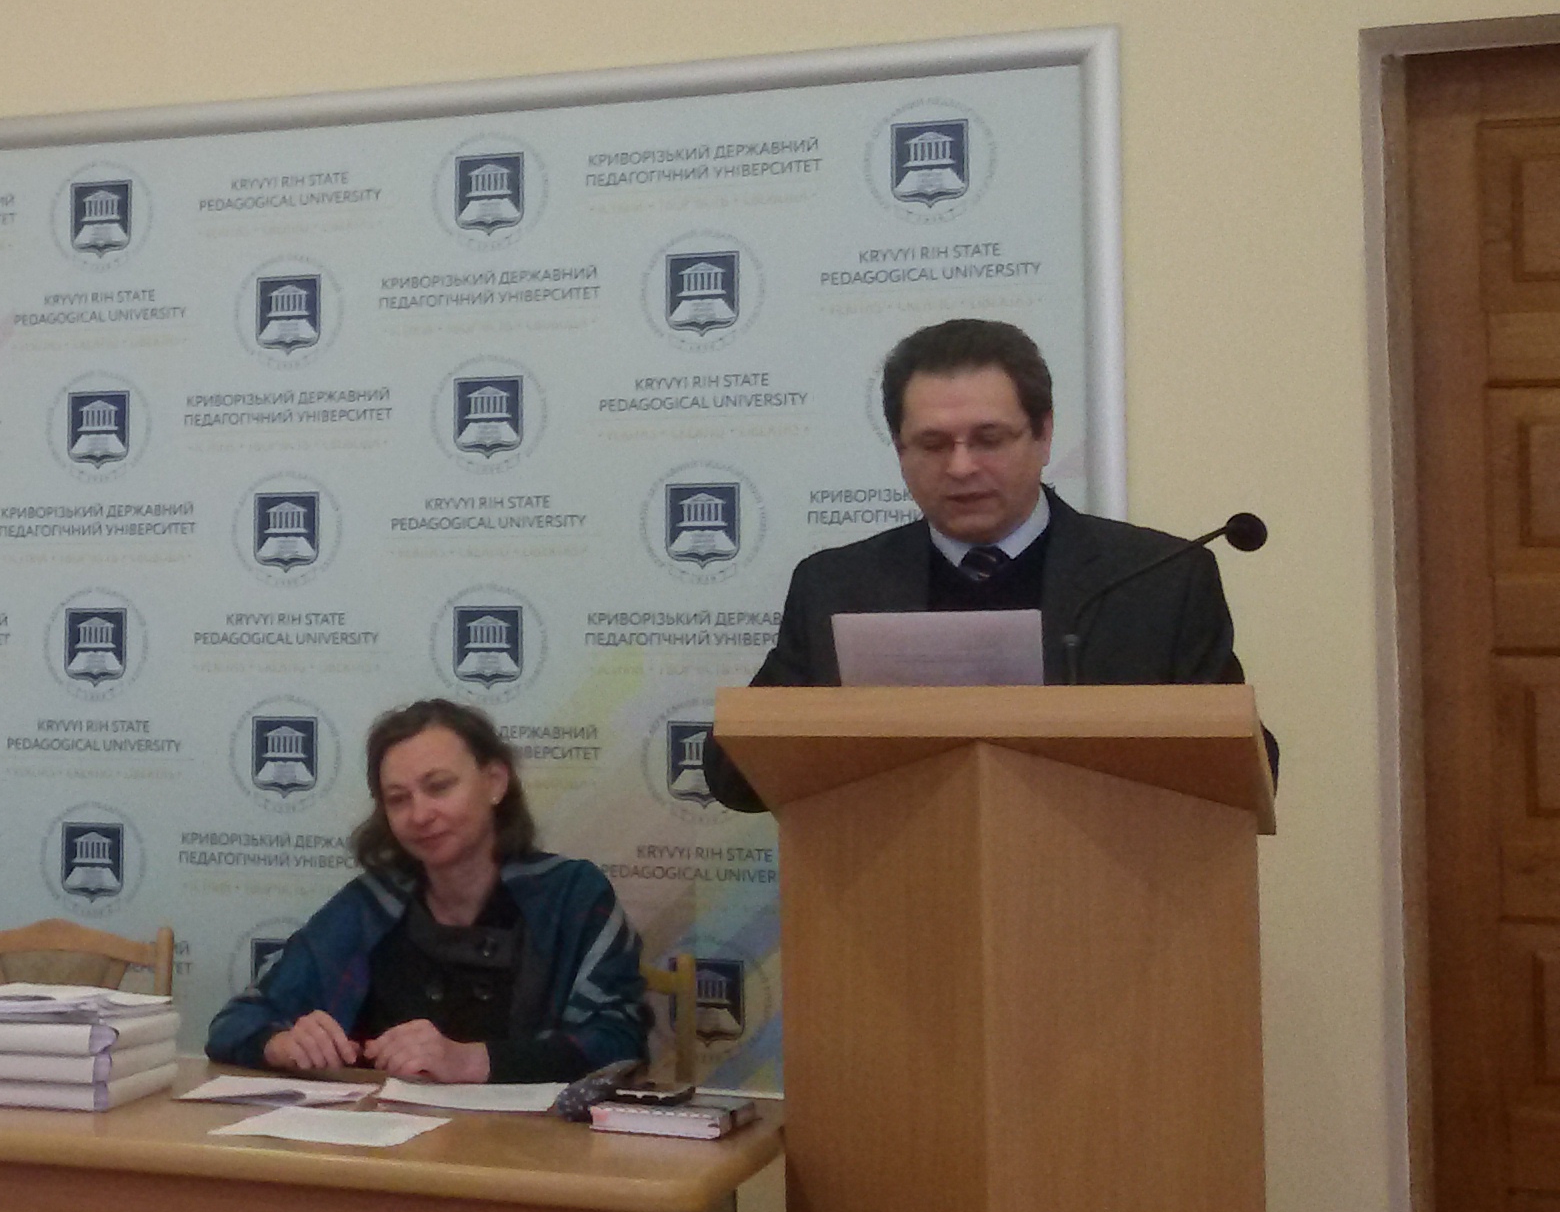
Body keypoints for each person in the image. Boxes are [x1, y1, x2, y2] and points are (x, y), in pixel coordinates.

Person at [702, 316, 1257, 812]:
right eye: (933, 444)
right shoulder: (837, 585)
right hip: (898, 879)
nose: (962, 467)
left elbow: (1245, 770)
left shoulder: (1161, 580)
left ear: (1043, 435)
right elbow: (735, 777)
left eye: (989, 439)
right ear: (899, 448)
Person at [207, 699, 649, 1082]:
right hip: (381, 1142)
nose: (419, 815)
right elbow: (235, 1022)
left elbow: (620, 1041)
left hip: (528, 1145)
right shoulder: (370, 904)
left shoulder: (571, 896)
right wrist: (282, 1044)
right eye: (398, 799)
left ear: (495, 782)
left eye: (439, 787)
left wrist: (472, 1060)